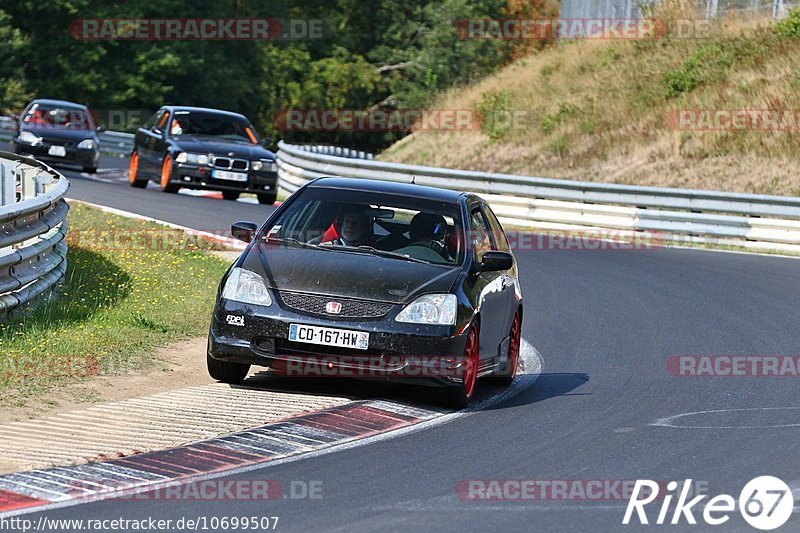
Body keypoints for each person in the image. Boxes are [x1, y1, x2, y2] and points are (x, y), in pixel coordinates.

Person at [311, 206, 375, 247]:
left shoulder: (372, 253)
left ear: (363, 228)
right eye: (347, 221)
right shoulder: (325, 248)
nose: (350, 226)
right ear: (340, 224)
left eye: (355, 222)